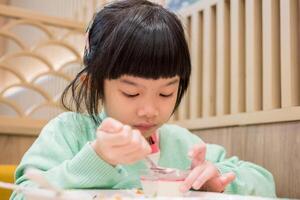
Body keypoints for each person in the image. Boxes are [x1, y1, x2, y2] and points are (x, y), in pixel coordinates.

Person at [11, 0, 276, 199]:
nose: (150, 110)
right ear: (94, 84)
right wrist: (99, 157)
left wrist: (217, 178)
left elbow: (266, 184)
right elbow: (22, 194)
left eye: (166, 93)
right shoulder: (68, 132)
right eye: (131, 93)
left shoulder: (181, 144)